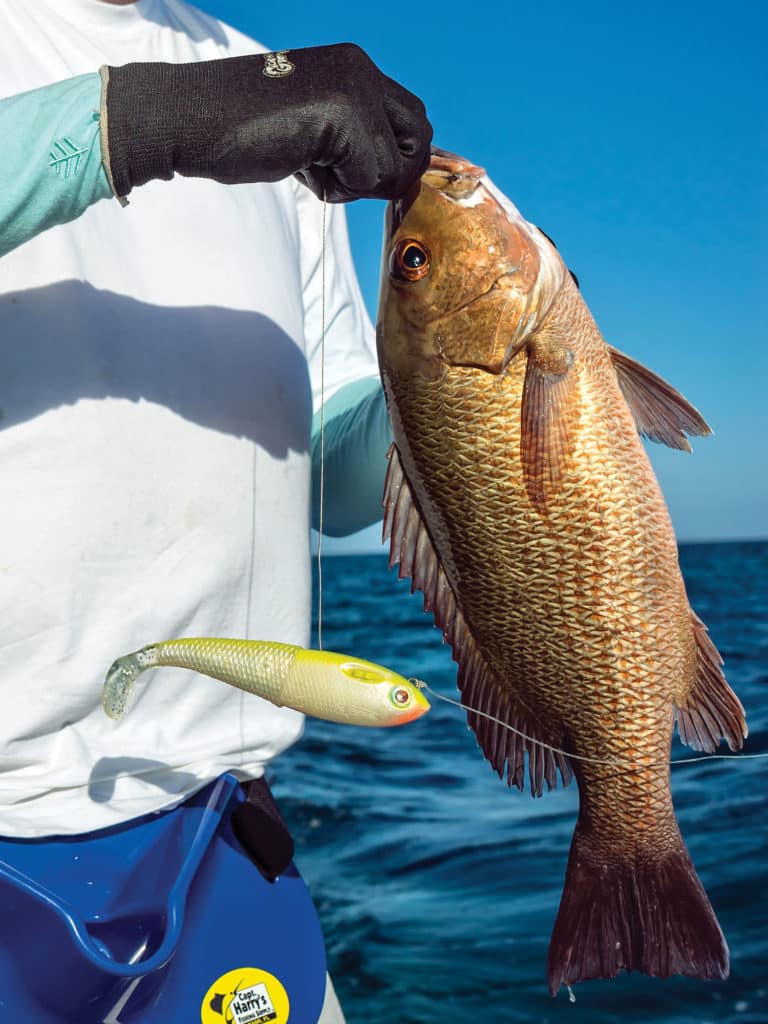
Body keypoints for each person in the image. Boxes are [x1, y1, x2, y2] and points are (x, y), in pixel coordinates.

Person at [0, 1, 432, 1020]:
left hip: (217, 843)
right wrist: (163, 121)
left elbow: (330, 477)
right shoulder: (259, 91)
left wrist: (469, 376)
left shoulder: (264, 73)